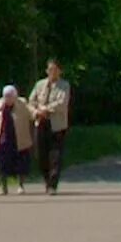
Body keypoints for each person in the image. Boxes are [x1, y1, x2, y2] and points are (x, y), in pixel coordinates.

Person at [30, 58, 72, 195]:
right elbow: (31, 101)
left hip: (56, 124)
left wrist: (46, 109)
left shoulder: (64, 85)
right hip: (40, 122)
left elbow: (62, 103)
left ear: (59, 71)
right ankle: (47, 180)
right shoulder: (39, 84)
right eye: (49, 70)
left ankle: (53, 184)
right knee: (40, 154)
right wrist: (36, 111)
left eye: (54, 70)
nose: (51, 72)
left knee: (55, 155)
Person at [0, 85, 34, 195]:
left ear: (15, 96)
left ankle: (21, 185)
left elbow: (31, 113)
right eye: (5, 96)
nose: (7, 98)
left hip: (20, 138)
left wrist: (37, 114)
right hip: (4, 138)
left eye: (10, 96)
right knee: (2, 163)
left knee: (21, 163)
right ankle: (3, 187)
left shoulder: (22, 103)